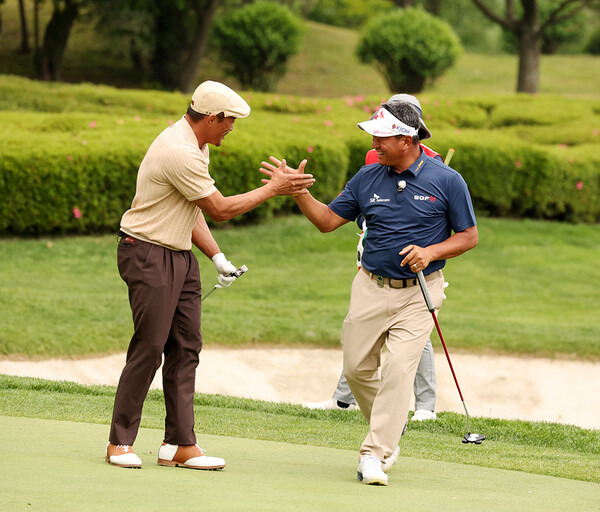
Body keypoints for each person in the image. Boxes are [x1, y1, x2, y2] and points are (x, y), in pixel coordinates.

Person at [260, 101, 477, 486]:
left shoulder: (447, 180)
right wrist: (296, 193)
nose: (374, 141)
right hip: (370, 286)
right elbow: (327, 221)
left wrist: (430, 252)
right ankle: (391, 426)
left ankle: (373, 454)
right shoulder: (367, 177)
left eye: (382, 135)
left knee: (398, 370)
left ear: (406, 137)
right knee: (357, 368)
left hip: (419, 293)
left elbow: (468, 236)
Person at [105, 80, 315, 470]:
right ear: (213, 117)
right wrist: (273, 189)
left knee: (186, 347)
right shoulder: (178, 150)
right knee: (150, 347)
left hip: (180, 256)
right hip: (147, 252)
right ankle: (119, 441)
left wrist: (216, 256)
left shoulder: (198, 146)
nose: (232, 128)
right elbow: (219, 208)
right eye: (229, 121)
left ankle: (179, 444)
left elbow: (193, 208)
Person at [303, 94, 441, 422]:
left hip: (415, 264)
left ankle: (425, 406)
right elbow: (367, 197)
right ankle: (343, 399)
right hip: (373, 254)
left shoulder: (434, 164)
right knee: (362, 337)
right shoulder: (373, 156)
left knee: (413, 337)